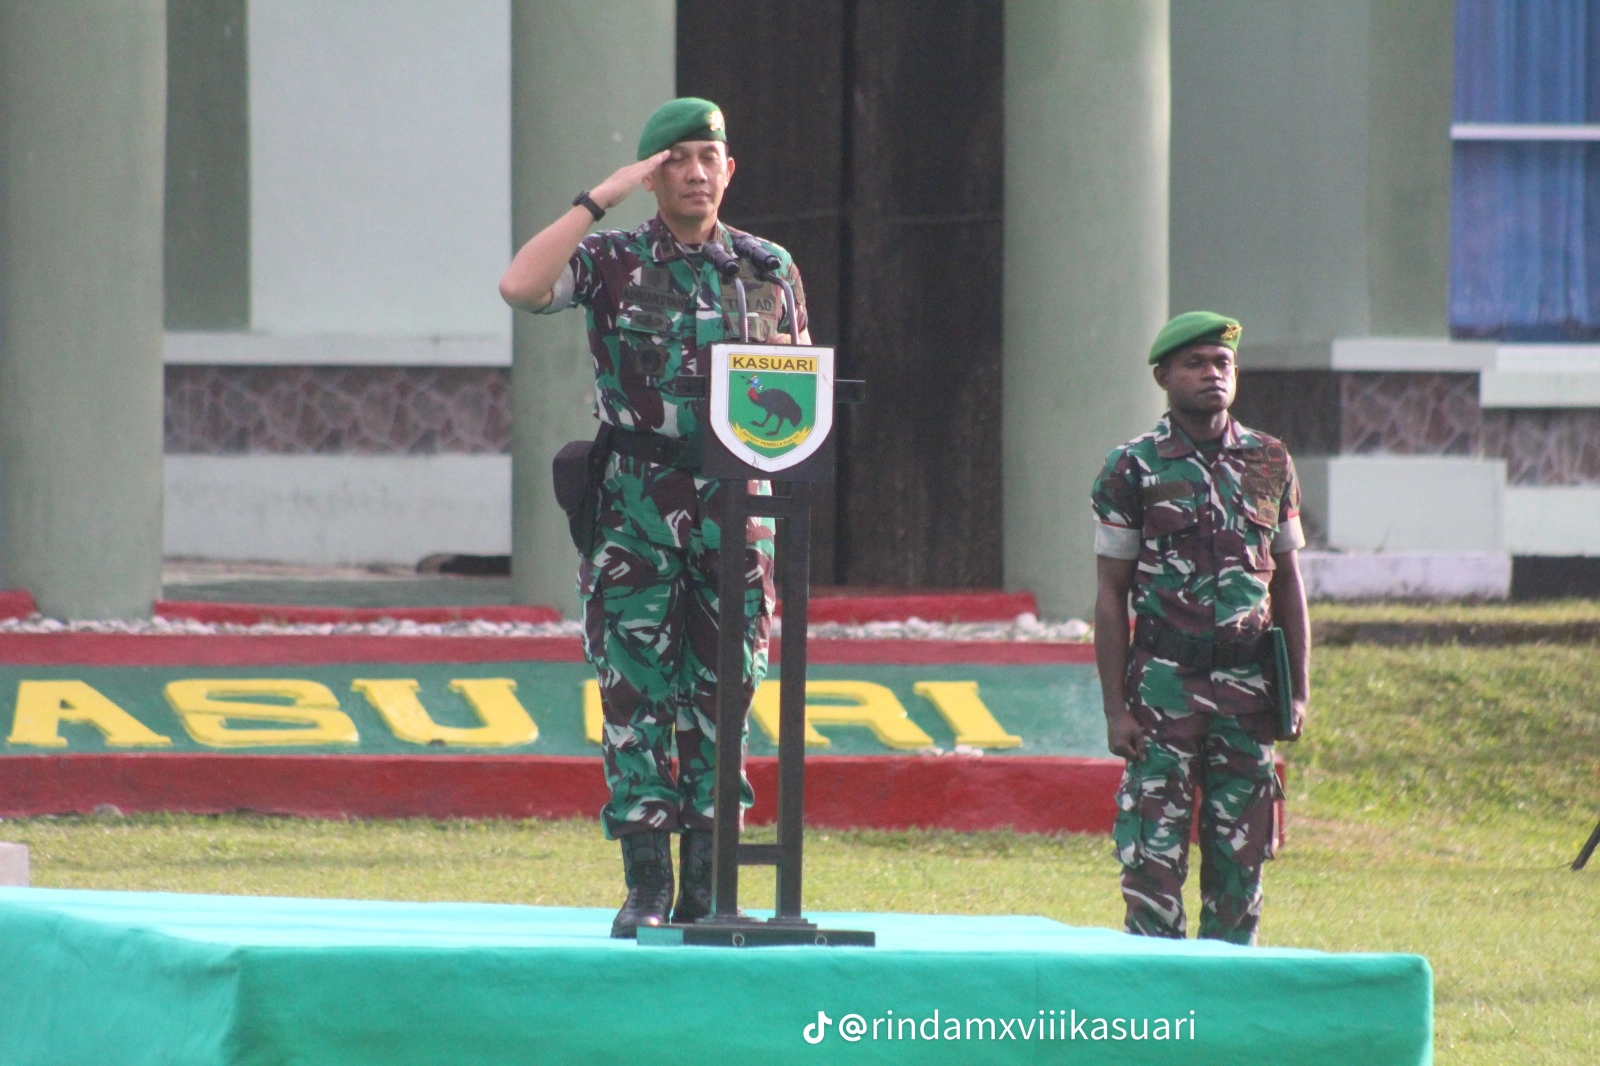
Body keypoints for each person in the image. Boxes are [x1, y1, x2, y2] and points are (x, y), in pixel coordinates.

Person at [499, 98, 809, 937]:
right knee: (636, 695)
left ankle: (710, 885)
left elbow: (797, 394)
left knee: (727, 694)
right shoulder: (611, 258)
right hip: (637, 505)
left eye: (709, 155)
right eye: (675, 158)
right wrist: (599, 197)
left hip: (737, 512)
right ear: (652, 176)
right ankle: (645, 884)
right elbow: (521, 287)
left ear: (729, 169)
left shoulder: (767, 267)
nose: (696, 172)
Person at [1090, 311, 1311, 946]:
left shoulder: (1269, 460)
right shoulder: (1131, 467)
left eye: (1223, 363)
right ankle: (1155, 1012)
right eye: (1196, 363)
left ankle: (1227, 1009)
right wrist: (1114, 710)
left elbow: (1288, 583)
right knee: (1152, 864)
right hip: (1164, 688)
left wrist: (1295, 690)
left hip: (1249, 690)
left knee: (1240, 865)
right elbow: (1110, 594)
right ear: (1164, 376)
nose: (1213, 375)